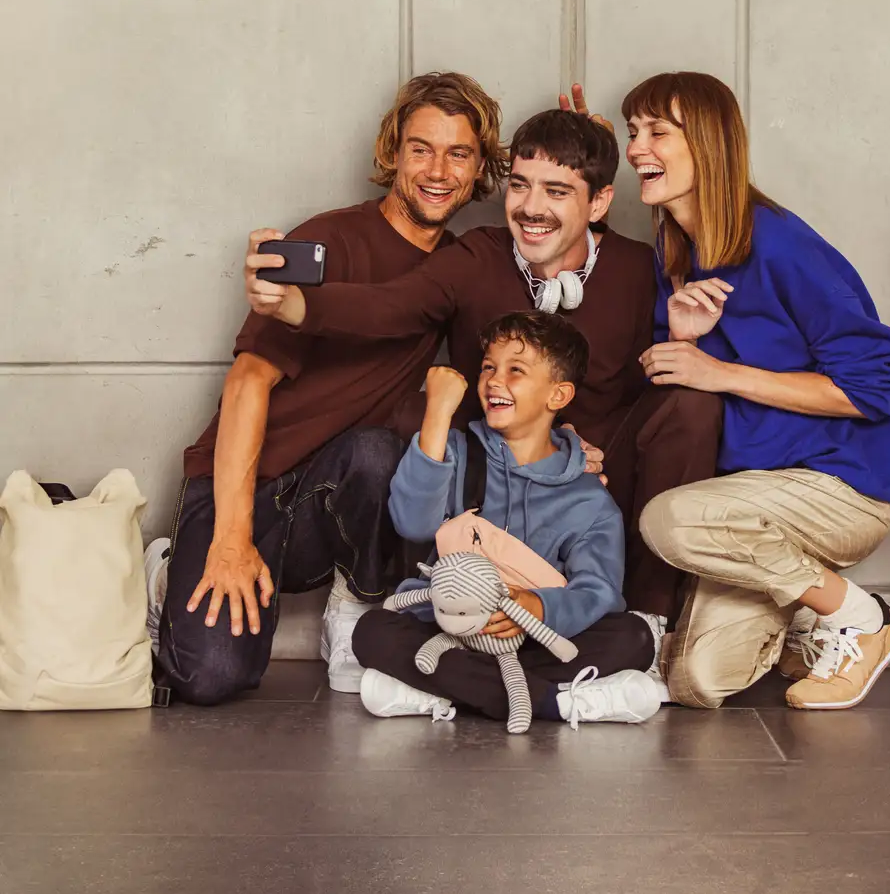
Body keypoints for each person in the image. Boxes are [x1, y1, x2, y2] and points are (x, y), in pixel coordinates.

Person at [245, 108, 723, 632]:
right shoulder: (477, 256)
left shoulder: (635, 267)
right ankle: (424, 608)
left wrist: (677, 347)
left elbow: (641, 394)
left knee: (691, 405)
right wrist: (294, 306)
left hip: (596, 474)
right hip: (493, 475)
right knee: (416, 413)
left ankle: (648, 622)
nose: (532, 208)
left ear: (600, 202)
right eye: (520, 186)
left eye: (558, 192)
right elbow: (390, 306)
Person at [152, 72, 505, 705]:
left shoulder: (458, 268)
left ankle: (359, 605)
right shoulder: (328, 239)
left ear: (481, 167)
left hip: (332, 491)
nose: (438, 170)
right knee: (210, 678)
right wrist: (231, 537)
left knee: (384, 450)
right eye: (421, 148)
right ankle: (167, 576)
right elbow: (245, 385)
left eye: (460, 153)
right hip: (246, 486)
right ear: (392, 152)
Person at [626, 71, 890, 712]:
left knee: (668, 518)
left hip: (838, 491)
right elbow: (672, 379)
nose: (636, 149)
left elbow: (871, 390)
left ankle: (863, 618)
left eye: (657, 132)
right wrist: (687, 343)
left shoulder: (780, 243)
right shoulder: (676, 250)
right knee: (695, 682)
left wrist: (720, 373)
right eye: (632, 133)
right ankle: (809, 623)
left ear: (708, 142)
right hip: (748, 508)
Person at [352, 312, 661, 727]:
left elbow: (599, 590)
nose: (494, 380)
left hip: (533, 638)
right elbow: (412, 523)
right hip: (448, 630)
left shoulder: (588, 496)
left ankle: (438, 691)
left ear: (558, 395)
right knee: (373, 631)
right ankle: (555, 703)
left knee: (634, 638)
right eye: (488, 368)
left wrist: (536, 605)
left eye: (516, 371)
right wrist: (437, 414)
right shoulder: (457, 452)